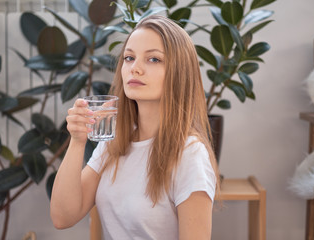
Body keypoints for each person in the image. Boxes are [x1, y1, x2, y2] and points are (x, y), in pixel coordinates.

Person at [50, 15, 219, 240]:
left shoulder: (189, 154)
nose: (135, 68)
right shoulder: (115, 140)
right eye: (129, 58)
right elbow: (63, 217)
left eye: (154, 59)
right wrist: (77, 141)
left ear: (179, 72)